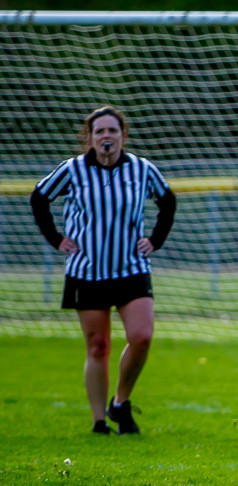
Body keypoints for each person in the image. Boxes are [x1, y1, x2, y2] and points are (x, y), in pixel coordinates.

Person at [30, 105, 176, 435]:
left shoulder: (141, 169)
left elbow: (167, 201)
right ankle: (99, 421)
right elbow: (39, 198)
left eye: (112, 130)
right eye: (100, 131)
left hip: (131, 268)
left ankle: (120, 402)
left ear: (123, 135)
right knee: (98, 346)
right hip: (87, 272)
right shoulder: (73, 169)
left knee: (142, 336)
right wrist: (56, 239)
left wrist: (155, 240)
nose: (106, 136)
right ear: (90, 137)